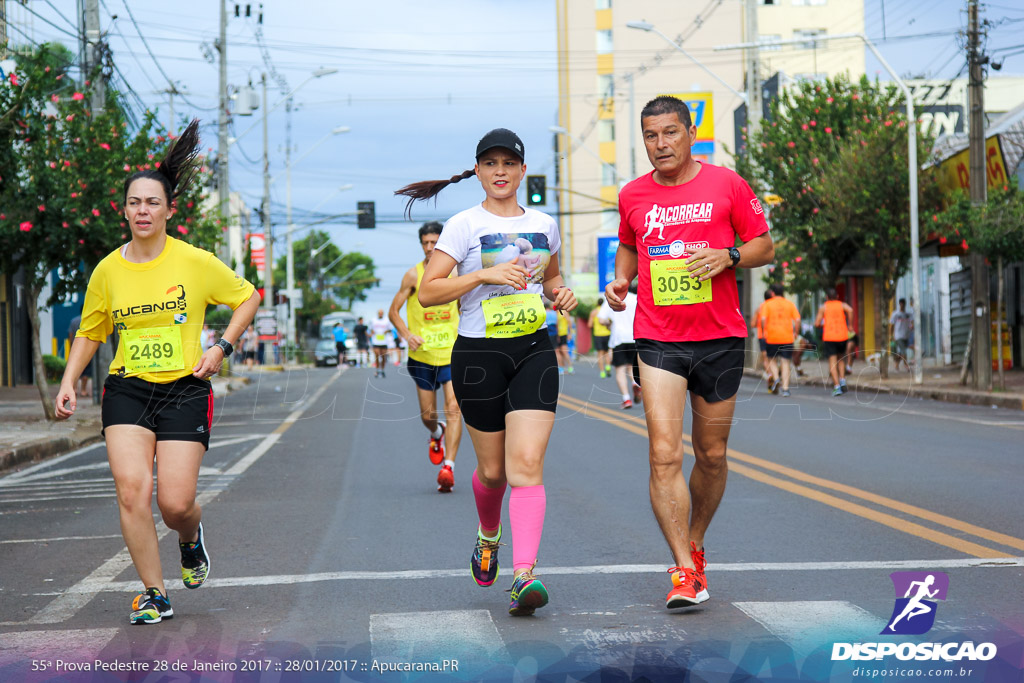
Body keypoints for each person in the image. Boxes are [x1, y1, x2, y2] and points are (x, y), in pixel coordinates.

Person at [54, 120, 261, 625]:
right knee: (131, 490)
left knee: (175, 503)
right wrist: (66, 381)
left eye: (152, 202)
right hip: (127, 388)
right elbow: (92, 329)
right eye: (134, 202)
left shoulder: (194, 261)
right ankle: (154, 592)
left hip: (185, 389)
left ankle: (190, 538)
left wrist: (222, 347)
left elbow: (248, 296)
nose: (142, 210)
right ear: (124, 209)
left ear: (170, 209)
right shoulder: (108, 270)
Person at [396, 127, 577, 616]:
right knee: (493, 472)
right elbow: (429, 291)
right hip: (478, 357)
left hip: (534, 353)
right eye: (490, 164)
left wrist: (561, 296)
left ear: (522, 171)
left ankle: (523, 577)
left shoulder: (544, 224)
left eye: (508, 164)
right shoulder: (462, 225)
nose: (500, 172)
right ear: (477, 171)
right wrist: (480, 274)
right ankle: (488, 535)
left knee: (526, 467)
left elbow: (552, 278)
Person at [605, 96, 773, 610]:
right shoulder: (632, 194)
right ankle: (682, 569)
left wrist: (728, 256)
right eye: (651, 136)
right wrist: (621, 280)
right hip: (658, 337)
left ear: (691, 131)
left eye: (670, 133)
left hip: (720, 337)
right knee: (663, 452)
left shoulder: (727, 184)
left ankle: (695, 540)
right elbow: (630, 244)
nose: (661, 144)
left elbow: (764, 245)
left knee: (713, 454)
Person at [388, 221, 464, 492]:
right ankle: (436, 433)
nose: (430, 247)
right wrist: (408, 335)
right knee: (427, 414)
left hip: (452, 353)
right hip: (422, 355)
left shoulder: (456, 274)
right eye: (426, 243)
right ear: (421, 244)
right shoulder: (412, 275)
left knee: (454, 408)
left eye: (435, 242)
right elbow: (393, 312)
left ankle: (449, 467)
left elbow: (465, 308)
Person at [597, 281, 641, 409]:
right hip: (635, 337)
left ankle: (626, 399)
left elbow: (601, 319)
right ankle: (635, 383)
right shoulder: (637, 299)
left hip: (619, 338)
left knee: (620, 370)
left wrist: (609, 324)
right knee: (632, 367)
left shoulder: (613, 299)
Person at [760, 283, 801, 397]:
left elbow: (763, 319)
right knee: (785, 362)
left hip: (772, 337)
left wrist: (764, 331)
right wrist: (796, 332)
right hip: (787, 337)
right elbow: (797, 319)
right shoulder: (790, 304)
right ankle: (786, 389)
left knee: (771, 360)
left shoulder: (767, 304)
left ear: (772, 293)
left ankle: (777, 378)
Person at [814, 288, 854, 396]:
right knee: (841, 358)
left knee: (832, 361)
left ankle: (837, 386)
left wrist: (824, 324)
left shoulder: (824, 307)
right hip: (842, 336)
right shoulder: (842, 305)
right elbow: (850, 310)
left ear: (826, 297)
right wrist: (850, 325)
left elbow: (817, 323)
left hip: (830, 337)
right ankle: (842, 380)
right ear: (837, 297)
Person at [67, 314, 92, 398]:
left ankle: (74, 389)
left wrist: (72, 346)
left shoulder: (74, 321)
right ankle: (83, 391)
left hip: (76, 349)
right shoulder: (89, 320)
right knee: (86, 371)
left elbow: (70, 334)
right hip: (87, 349)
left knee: (75, 370)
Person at [752, 289, 774, 382]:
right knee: (775, 359)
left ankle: (771, 375)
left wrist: (760, 323)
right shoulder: (775, 307)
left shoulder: (760, 308)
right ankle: (775, 376)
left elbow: (752, 324)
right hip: (775, 336)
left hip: (763, 336)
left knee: (766, 358)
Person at [589, 300, 612, 377]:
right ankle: (608, 366)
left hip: (598, 335)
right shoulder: (608, 312)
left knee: (600, 354)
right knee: (606, 353)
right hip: (607, 334)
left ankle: (602, 372)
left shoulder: (594, 312)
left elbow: (590, 325)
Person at [890, 297, 913, 372]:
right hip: (898, 335)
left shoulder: (908, 314)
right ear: (899, 304)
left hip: (906, 335)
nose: (902, 305)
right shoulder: (895, 314)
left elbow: (911, 323)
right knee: (904, 352)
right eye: (901, 304)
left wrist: (912, 326)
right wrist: (891, 335)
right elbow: (892, 325)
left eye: (903, 304)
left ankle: (896, 365)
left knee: (901, 353)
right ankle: (906, 366)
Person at [369, 309, 393, 378]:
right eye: (379, 313)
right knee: (376, 355)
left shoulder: (386, 320)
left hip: (384, 341)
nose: (380, 314)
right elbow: (370, 328)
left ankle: (382, 370)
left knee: (383, 357)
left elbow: (390, 329)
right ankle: (377, 370)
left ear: (383, 314)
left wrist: (386, 331)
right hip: (376, 341)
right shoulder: (373, 320)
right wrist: (372, 331)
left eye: (381, 313)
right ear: (377, 313)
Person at [555, 306, 574, 374]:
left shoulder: (564, 312)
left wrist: (570, 333)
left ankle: (570, 367)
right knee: (559, 352)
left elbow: (569, 322)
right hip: (557, 335)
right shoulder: (555, 313)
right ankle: (562, 368)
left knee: (564, 351)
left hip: (563, 333)